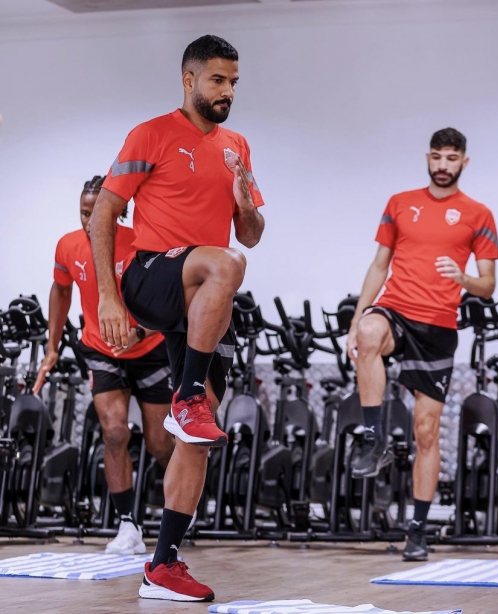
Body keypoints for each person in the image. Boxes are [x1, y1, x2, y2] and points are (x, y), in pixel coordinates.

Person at [90, 35, 264, 602]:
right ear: (189, 80)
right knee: (226, 264)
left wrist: (243, 196)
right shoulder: (151, 134)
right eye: (217, 80)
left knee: (196, 440)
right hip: (152, 276)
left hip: (204, 298)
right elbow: (104, 216)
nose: (227, 91)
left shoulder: (236, 145)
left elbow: (250, 234)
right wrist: (108, 298)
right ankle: (187, 396)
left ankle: (162, 565)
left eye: (233, 82)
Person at [346, 128, 498, 561]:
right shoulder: (399, 203)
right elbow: (379, 265)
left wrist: (463, 277)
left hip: (438, 328)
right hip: (396, 308)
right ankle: (373, 437)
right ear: (427, 158)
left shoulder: (479, 214)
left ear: (464, 162)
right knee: (369, 333)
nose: (442, 165)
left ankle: (417, 530)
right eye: (436, 156)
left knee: (426, 432)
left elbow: (488, 285)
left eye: (451, 158)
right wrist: (356, 319)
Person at [34, 175, 175, 555]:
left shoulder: (141, 243)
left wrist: (140, 332)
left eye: (96, 213)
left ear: (117, 211)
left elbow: (170, 302)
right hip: (101, 349)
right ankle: (128, 526)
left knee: (160, 443)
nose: (89, 221)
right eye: (84, 213)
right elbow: (61, 289)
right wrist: (51, 346)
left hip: (149, 349)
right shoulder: (68, 246)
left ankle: (181, 504)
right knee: (113, 433)